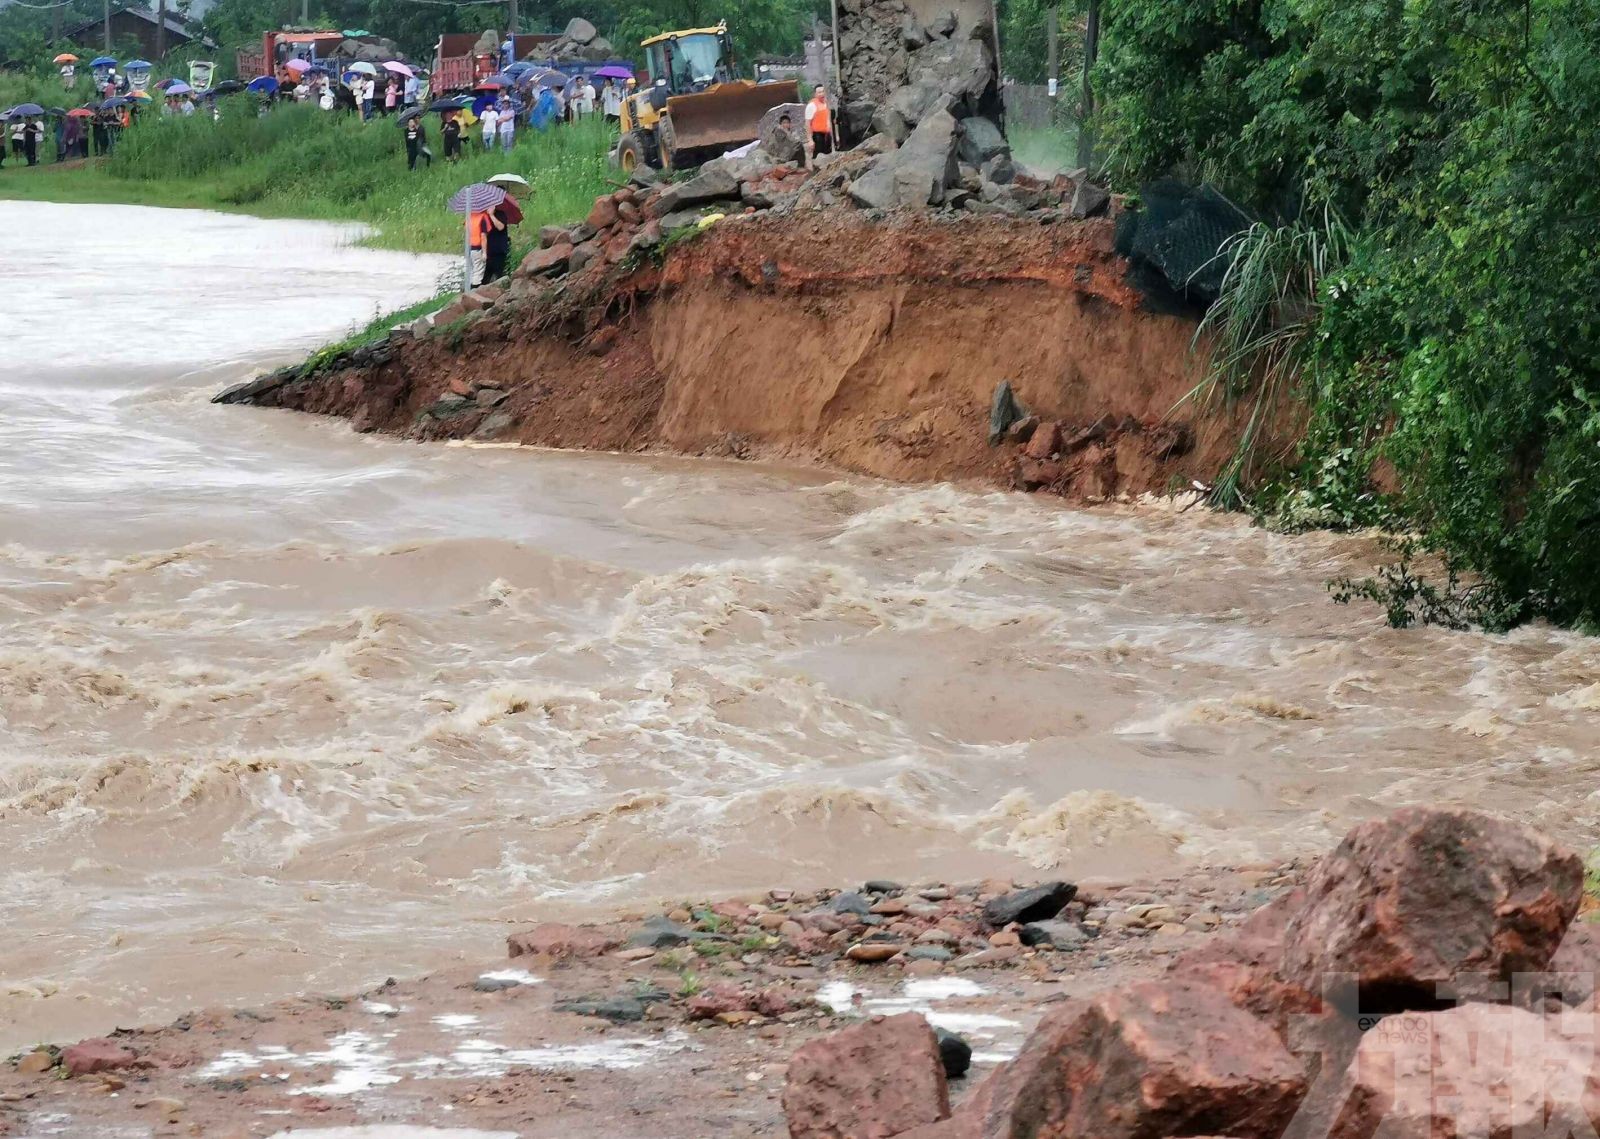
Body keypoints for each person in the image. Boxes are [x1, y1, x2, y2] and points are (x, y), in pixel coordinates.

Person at [483, 184, 523, 282]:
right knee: (484, 278)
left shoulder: (501, 214)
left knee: (498, 276)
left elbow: (500, 227)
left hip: (499, 251)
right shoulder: (485, 214)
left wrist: (492, 215)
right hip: (488, 250)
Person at [805, 86, 835, 165]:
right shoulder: (811, 106)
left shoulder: (827, 104)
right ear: (815, 94)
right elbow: (807, 123)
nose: (822, 94)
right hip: (817, 136)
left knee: (828, 156)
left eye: (823, 91)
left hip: (828, 134)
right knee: (818, 156)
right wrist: (810, 140)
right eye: (819, 92)